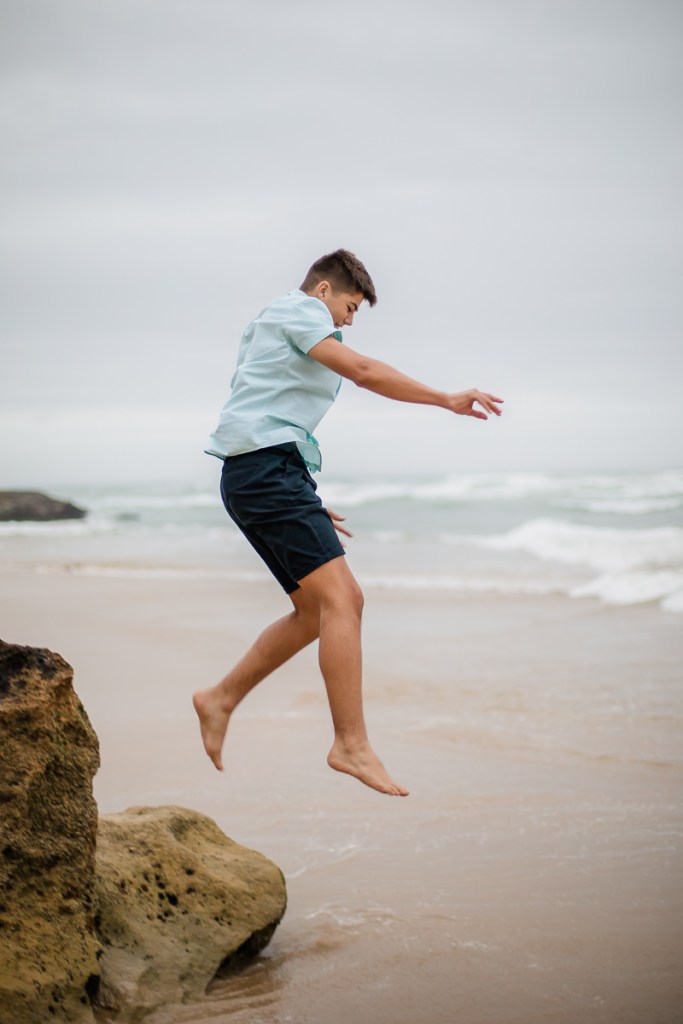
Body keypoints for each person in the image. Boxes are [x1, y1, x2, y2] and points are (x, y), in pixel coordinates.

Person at [193, 249, 503, 796]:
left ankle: (220, 697)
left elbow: (268, 406)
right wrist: (444, 398)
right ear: (323, 291)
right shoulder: (300, 312)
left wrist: (302, 496)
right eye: (351, 306)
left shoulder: (278, 320)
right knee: (345, 601)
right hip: (264, 472)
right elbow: (362, 372)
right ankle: (350, 744)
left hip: (264, 472)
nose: (348, 321)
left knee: (315, 611)